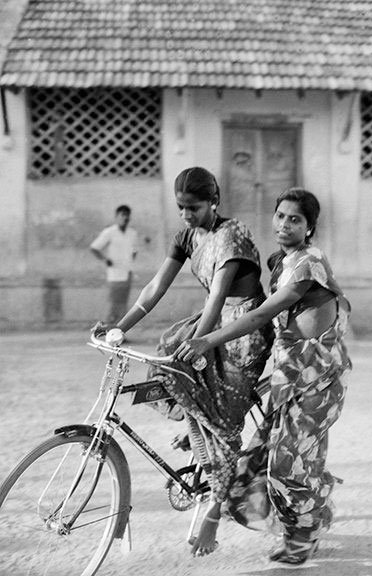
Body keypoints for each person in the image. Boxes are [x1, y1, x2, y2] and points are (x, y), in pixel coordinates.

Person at [93, 167, 274, 557]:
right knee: (167, 359)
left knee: (220, 418)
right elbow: (156, 286)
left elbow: (217, 299)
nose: (187, 216)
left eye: (194, 208)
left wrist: (198, 343)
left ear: (215, 201)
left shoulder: (233, 235)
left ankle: (213, 513)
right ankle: (199, 438)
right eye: (181, 209)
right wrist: (119, 328)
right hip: (209, 321)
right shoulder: (187, 235)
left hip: (242, 329)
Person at [174, 187, 352, 564]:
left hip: (318, 380)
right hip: (290, 378)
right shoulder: (281, 262)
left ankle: (303, 537)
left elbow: (260, 316)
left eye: (295, 219)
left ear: (310, 227)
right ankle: (309, 524)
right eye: (280, 216)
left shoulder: (309, 262)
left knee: (289, 464)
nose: (285, 224)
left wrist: (206, 341)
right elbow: (275, 333)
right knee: (275, 459)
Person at [90, 205, 138, 325]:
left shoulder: (132, 233)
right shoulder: (109, 232)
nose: (125, 217)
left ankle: (118, 333)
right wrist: (105, 259)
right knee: (113, 306)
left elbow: (134, 250)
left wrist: (130, 259)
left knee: (123, 306)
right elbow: (95, 248)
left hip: (127, 273)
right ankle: (107, 332)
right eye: (122, 215)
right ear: (116, 217)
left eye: (127, 215)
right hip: (115, 274)